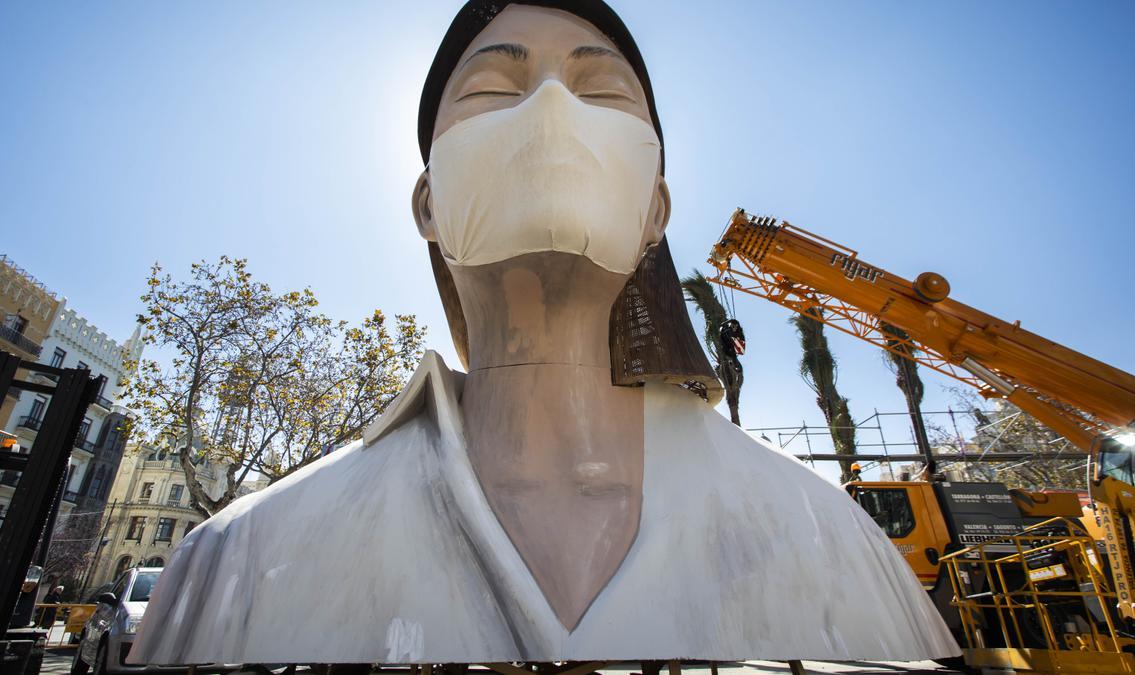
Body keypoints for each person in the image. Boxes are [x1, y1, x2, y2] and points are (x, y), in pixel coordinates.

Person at [131, 0, 959, 666]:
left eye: (600, 92)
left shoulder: (833, 542)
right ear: (428, 204)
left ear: (652, 213)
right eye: (494, 89)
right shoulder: (231, 568)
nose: (554, 107)